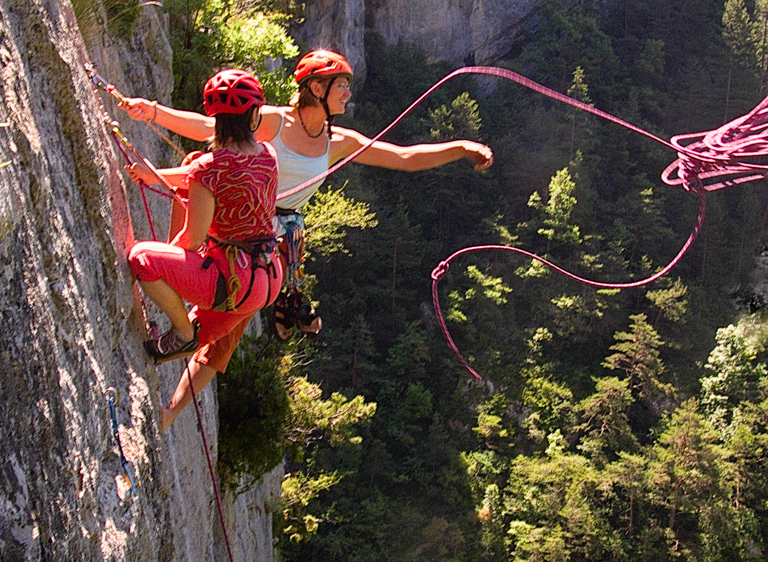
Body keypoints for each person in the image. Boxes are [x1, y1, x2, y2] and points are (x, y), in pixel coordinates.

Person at [113, 48, 493, 339]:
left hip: (273, 236)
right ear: (316, 88)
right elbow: (215, 126)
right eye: (340, 85)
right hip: (239, 210)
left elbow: (405, 158)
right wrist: (154, 112)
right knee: (198, 166)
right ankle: (179, 274)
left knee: (222, 326)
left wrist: (459, 148)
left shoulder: (339, 141)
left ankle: (196, 295)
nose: (347, 92)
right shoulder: (275, 122)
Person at [125, 68, 282, 431]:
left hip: (228, 282)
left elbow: (191, 240)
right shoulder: (268, 155)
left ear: (214, 116)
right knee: (162, 353)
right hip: (263, 282)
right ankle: (178, 352)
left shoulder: (208, 168)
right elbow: (217, 174)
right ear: (254, 114)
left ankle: (182, 331)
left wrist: (169, 270)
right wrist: (156, 175)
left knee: (143, 259)